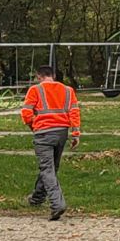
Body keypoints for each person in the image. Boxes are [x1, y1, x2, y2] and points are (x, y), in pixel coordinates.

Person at [21, 64, 81, 221]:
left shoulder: (35, 90)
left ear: (39, 77)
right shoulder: (68, 91)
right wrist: (75, 133)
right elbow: (74, 112)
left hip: (43, 132)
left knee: (47, 169)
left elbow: (26, 113)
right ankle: (37, 198)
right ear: (53, 75)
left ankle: (57, 204)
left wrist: (33, 126)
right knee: (52, 167)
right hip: (62, 132)